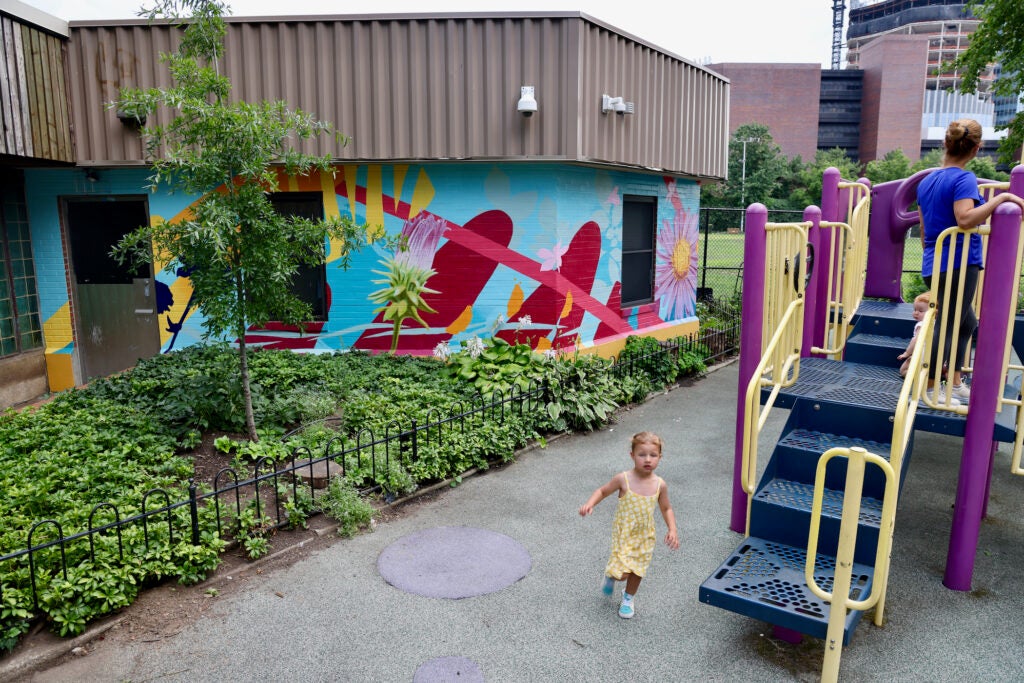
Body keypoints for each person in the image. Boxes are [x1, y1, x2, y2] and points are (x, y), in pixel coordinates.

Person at [916, 118, 1024, 406]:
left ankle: (954, 381)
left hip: (935, 261)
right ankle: (930, 387)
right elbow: (964, 218)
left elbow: (925, 230)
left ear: (946, 144)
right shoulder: (963, 178)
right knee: (950, 324)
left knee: (965, 325)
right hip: (959, 262)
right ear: (976, 149)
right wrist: (1003, 199)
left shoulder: (927, 181)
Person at [578, 431, 679, 619]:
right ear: (632, 456)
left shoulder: (660, 485)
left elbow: (666, 508)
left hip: (645, 536)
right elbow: (602, 491)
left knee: (638, 569)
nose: (647, 459)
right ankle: (611, 577)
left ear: (660, 457)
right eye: (642, 454)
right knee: (622, 572)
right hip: (624, 533)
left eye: (653, 455)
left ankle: (628, 598)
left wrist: (672, 529)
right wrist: (590, 504)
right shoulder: (623, 479)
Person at [897, 292, 931, 378]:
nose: (916, 313)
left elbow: (915, 340)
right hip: (933, 354)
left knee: (903, 371)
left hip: (921, 354)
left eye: (920, 311)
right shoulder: (936, 324)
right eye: (915, 310)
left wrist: (907, 353)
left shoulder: (921, 325)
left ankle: (919, 377)